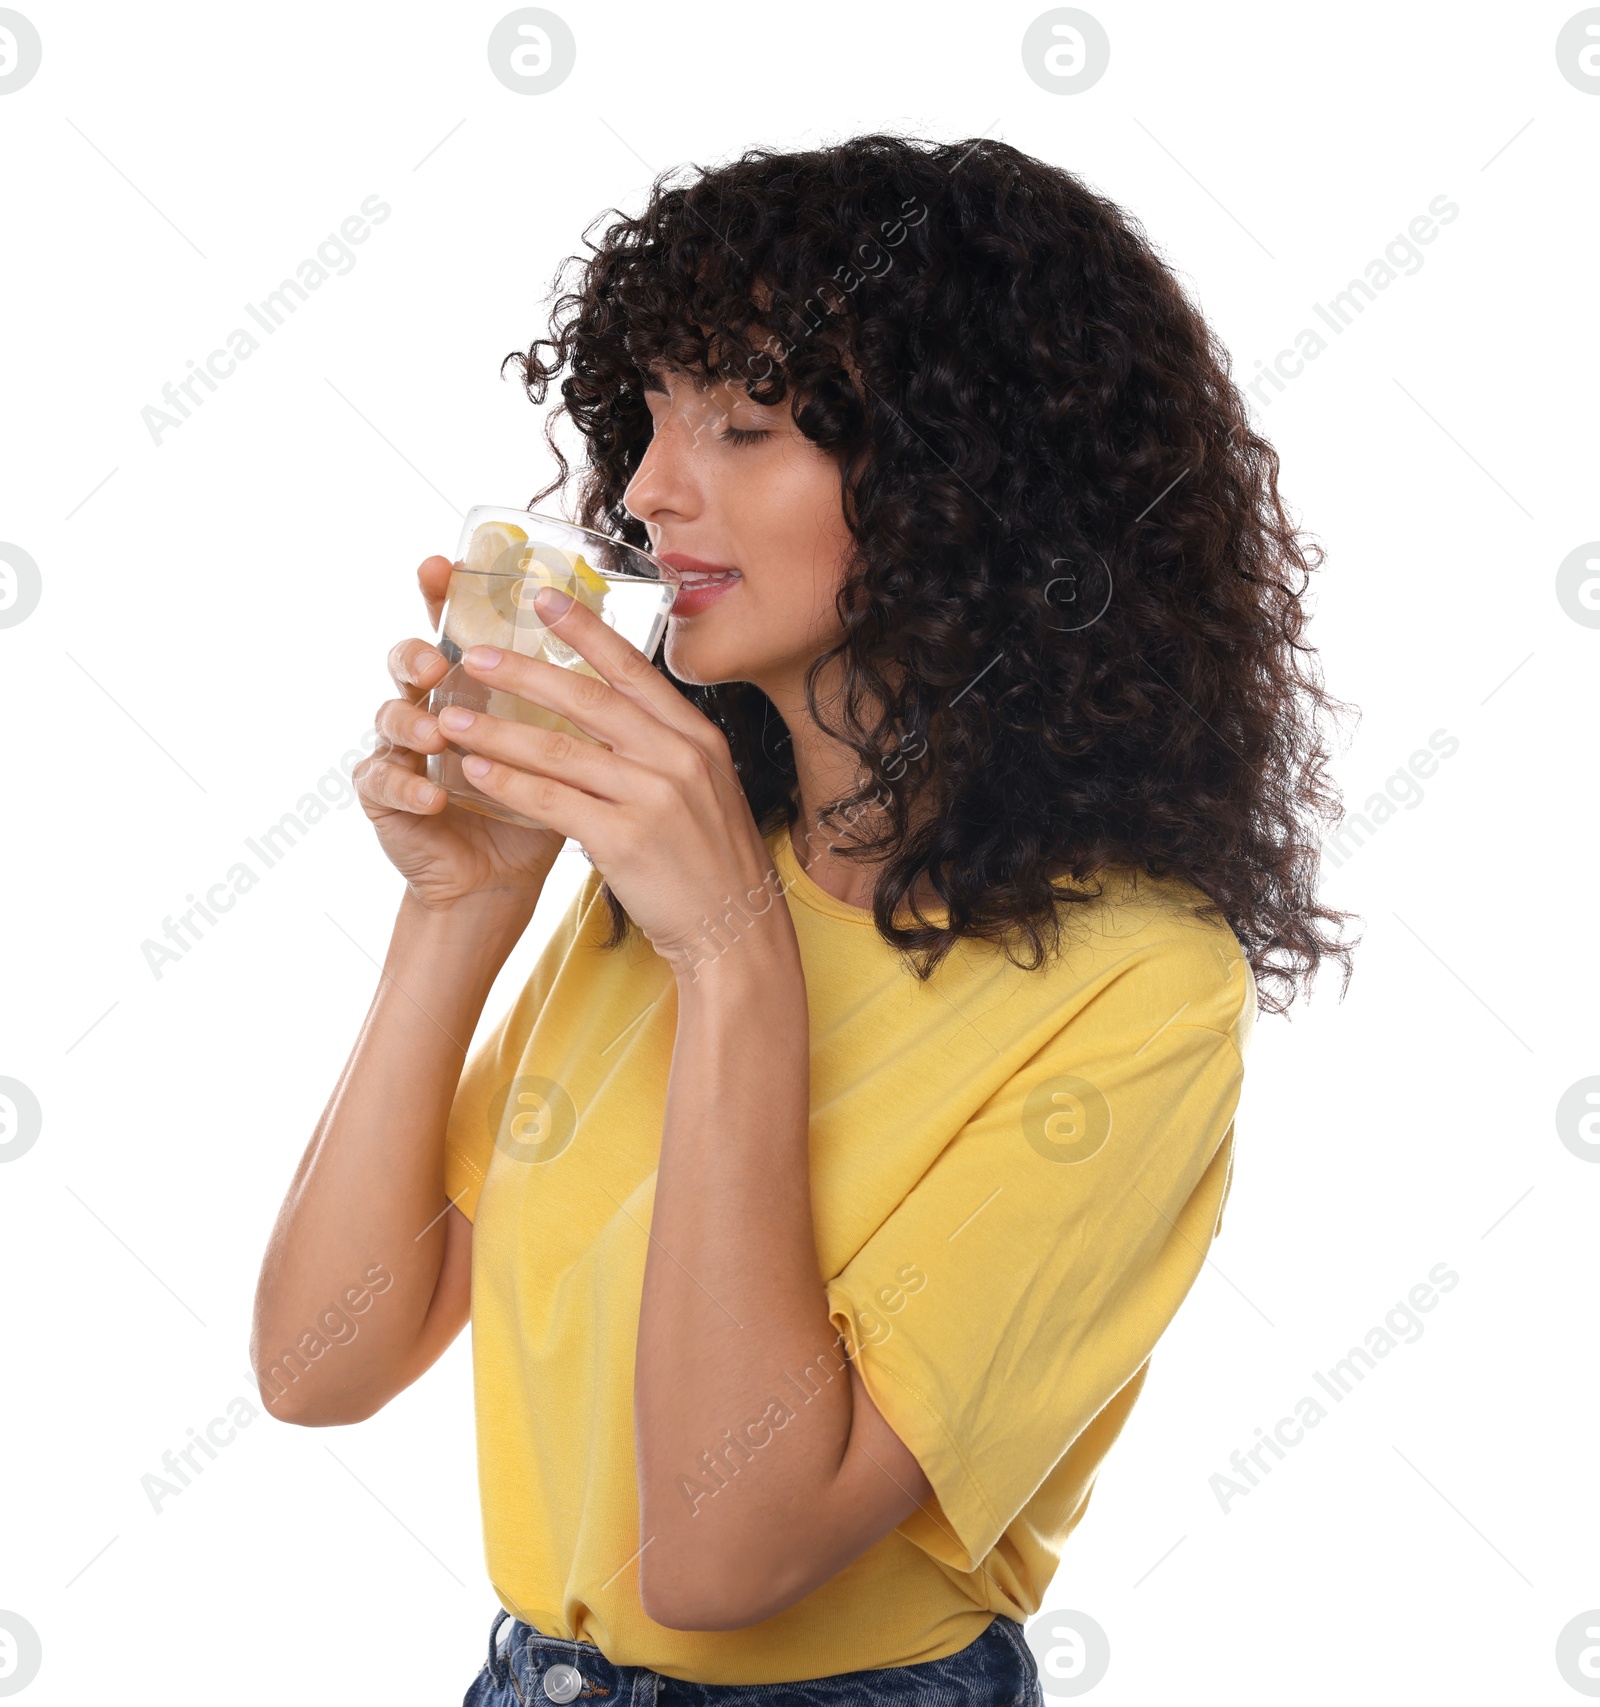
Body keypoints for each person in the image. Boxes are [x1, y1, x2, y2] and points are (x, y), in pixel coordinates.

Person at [251, 133, 1355, 1704]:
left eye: (746, 425)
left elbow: (722, 1560)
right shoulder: (686, 869)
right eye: (646, 418)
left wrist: (727, 953)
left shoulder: (1143, 991)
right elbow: (319, 1365)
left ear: (964, 481)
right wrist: (469, 906)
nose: (643, 491)